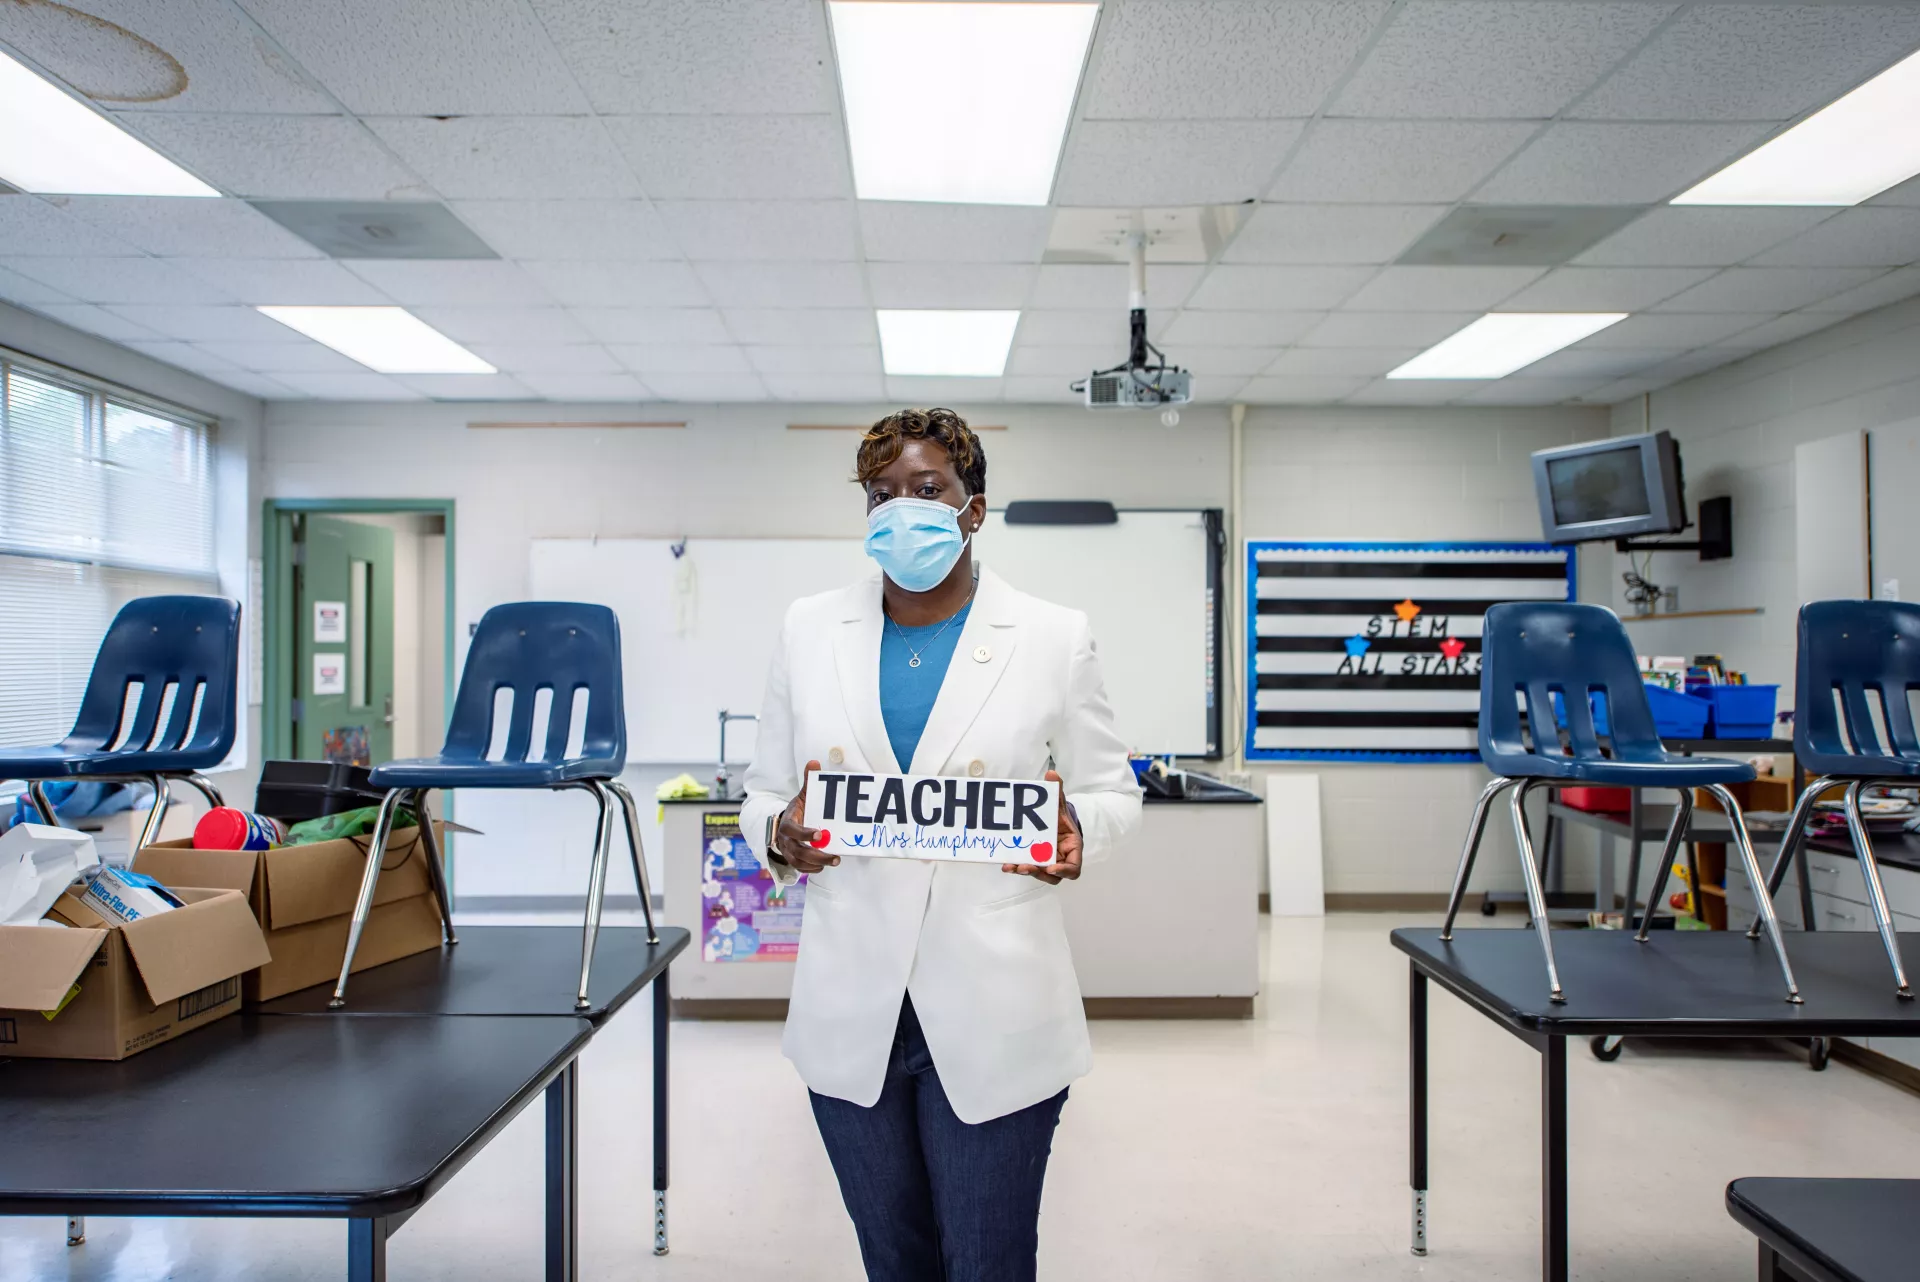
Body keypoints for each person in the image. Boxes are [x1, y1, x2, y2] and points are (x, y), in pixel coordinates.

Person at [740, 407, 1142, 1282]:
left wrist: (1080, 831)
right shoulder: (809, 630)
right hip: (854, 1008)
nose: (901, 510)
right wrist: (779, 830)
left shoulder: (1050, 635)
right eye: (880, 495)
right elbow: (764, 790)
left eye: (927, 490)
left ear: (974, 508)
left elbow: (1113, 792)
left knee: (989, 1262)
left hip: (998, 1003)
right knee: (895, 1262)